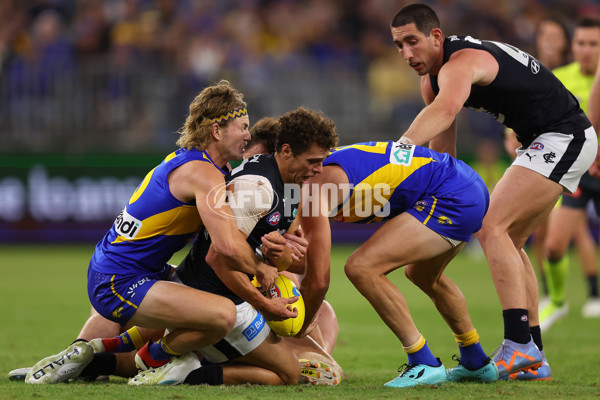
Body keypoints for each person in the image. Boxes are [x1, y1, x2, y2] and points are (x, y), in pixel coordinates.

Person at [24, 80, 296, 384]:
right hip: (120, 280)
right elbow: (228, 248)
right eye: (242, 127)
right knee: (222, 315)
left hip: (117, 267)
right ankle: (156, 361)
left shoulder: (193, 162)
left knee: (194, 296)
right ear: (217, 131)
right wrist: (262, 268)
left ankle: (79, 359)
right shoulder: (205, 175)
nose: (248, 135)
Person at [389, 3, 598, 381]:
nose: (406, 54)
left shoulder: (462, 61)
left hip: (565, 135)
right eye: (398, 46)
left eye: (412, 42)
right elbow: (444, 155)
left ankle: (519, 344)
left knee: (490, 227)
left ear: (436, 37)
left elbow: (446, 109)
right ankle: (534, 357)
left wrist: (397, 150)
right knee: (510, 239)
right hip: (543, 140)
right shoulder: (432, 82)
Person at [300, 140, 498, 387]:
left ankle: (422, 360)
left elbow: (317, 276)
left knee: (361, 267)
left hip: (450, 193)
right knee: (424, 276)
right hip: (464, 183)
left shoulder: (315, 182)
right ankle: (476, 361)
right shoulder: (320, 168)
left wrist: (303, 320)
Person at [540, 17, 600, 331]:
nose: (587, 50)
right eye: (581, 43)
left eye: (594, 44)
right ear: (572, 46)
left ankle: (594, 294)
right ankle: (558, 302)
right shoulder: (559, 78)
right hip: (576, 171)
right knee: (553, 247)